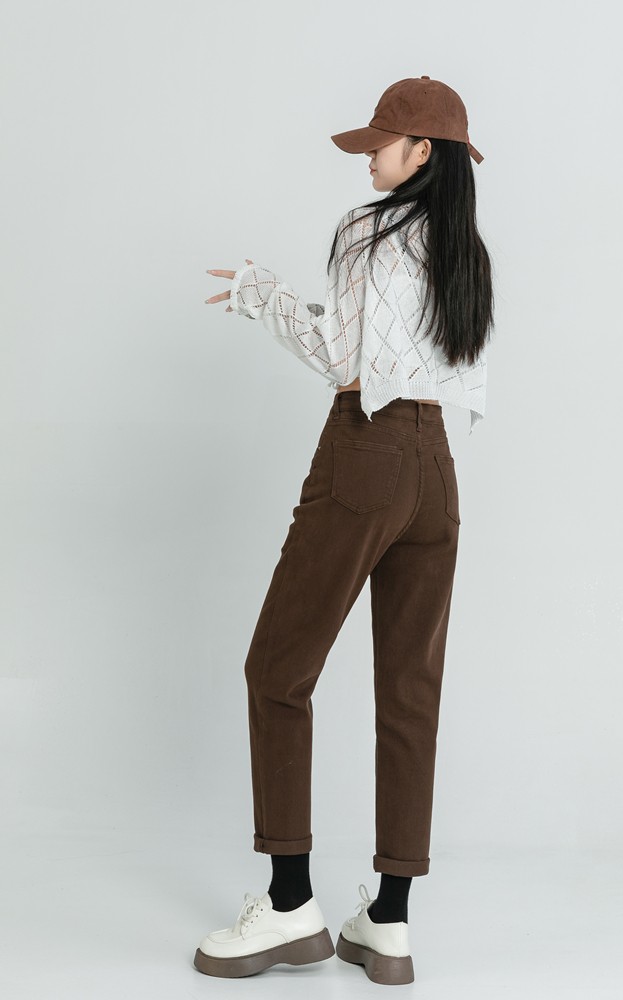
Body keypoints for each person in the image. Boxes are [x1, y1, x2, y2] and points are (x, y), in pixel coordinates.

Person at [194, 74, 494, 986]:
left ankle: (290, 906)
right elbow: (418, 359)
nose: (368, 156)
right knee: (410, 690)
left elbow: (343, 361)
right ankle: (389, 922)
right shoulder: (466, 249)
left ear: (422, 153)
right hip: (436, 469)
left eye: (380, 142)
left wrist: (263, 295)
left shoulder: (366, 230)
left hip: (365, 454)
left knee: (277, 670)